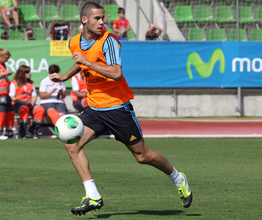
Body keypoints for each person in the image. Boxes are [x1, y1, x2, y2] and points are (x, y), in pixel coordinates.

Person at [50, 2, 192, 216]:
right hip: (94, 109)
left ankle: (178, 179)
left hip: (118, 108)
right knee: (72, 146)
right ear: (84, 20)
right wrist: (64, 76)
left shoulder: (109, 41)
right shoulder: (74, 42)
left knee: (143, 157)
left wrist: (87, 61)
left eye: (103, 18)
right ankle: (93, 196)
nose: (102, 22)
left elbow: (116, 73)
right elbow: (81, 63)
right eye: (97, 18)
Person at [9, 65, 45, 139]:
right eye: (27, 72)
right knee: (24, 109)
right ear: (22, 74)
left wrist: (32, 102)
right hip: (18, 104)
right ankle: (22, 133)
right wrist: (22, 103)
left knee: (40, 110)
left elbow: (34, 95)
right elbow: (12, 97)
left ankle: (32, 131)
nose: (29, 74)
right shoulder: (13, 83)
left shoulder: (31, 83)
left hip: (29, 104)